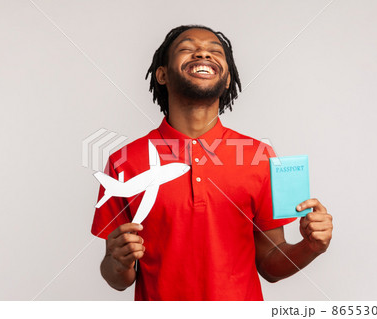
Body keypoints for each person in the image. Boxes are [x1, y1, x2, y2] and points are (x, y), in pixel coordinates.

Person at [91, 25, 333, 301]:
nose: (203, 53)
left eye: (215, 51)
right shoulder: (124, 160)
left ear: (227, 78)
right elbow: (117, 279)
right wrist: (118, 262)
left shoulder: (260, 155)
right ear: (162, 74)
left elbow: (270, 266)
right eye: (186, 48)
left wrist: (311, 246)